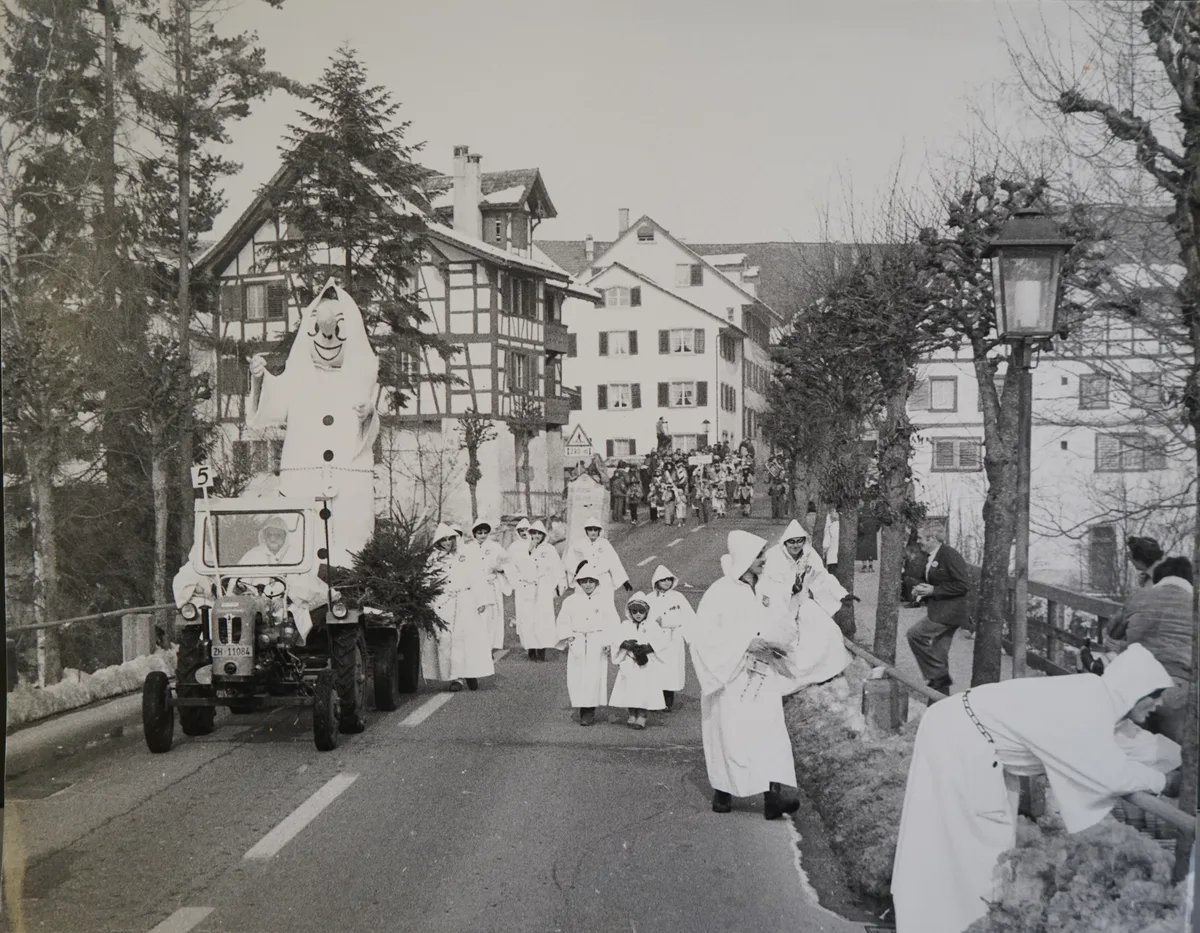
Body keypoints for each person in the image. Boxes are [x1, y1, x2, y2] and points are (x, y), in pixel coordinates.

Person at [891, 643, 1181, 933]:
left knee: (959, 841)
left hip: (964, 735)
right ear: (1134, 692)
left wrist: (1187, 760)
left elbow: (1132, 742)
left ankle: (945, 920)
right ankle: (949, 924)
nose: (1158, 705)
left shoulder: (1098, 697)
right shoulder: (1091, 707)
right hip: (961, 743)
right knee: (972, 845)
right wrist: (1163, 782)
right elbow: (1108, 772)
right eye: (1154, 697)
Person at [247, 281, 379, 567]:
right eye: (318, 330)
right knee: (304, 545)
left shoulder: (360, 379)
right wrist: (259, 379)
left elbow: (370, 432)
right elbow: (267, 410)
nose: (327, 338)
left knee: (350, 546)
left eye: (336, 331)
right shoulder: (297, 378)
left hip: (349, 484)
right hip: (303, 482)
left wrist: (369, 413)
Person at [689, 530, 803, 819]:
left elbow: (782, 621)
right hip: (731, 675)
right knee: (731, 732)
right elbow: (704, 637)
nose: (764, 560)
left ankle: (772, 798)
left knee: (769, 731)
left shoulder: (765, 589)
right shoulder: (719, 592)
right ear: (744, 559)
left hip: (763, 672)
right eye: (759, 556)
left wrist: (780, 643)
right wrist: (745, 644)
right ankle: (723, 792)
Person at [759, 521, 852, 693]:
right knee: (782, 636)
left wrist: (841, 594)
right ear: (785, 543)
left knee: (828, 630)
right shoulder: (773, 557)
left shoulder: (809, 555)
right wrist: (788, 590)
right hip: (779, 605)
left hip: (801, 602)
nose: (796, 545)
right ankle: (785, 678)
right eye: (792, 542)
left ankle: (824, 672)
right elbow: (766, 585)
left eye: (799, 541)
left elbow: (822, 577)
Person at [1116, 556, 1194, 744]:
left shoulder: (1140, 597)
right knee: (1179, 753)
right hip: (1180, 685)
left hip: (1138, 685)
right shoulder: (1195, 602)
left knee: (1134, 749)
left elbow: (1114, 631)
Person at [419, 523, 494, 692]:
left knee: (465, 639)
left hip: (464, 600)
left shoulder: (465, 554)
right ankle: (455, 677)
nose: (447, 542)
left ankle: (470, 672)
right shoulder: (433, 558)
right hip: (443, 601)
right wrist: (428, 602)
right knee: (445, 639)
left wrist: (481, 600)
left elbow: (477, 577)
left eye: (450, 539)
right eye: (443, 540)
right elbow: (426, 582)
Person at [905, 521, 972, 694]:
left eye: (921, 538)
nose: (918, 541)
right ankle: (939, 698)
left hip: (950, 613)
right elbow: (934, 580)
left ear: (932, 538)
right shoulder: (931, 556)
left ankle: (938, 679)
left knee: (915, 635)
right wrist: (920, 589)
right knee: (938, 653)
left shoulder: (949, 555)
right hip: (940, 610)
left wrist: (934, 590)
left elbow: (963, 585)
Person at [555, 561, 618, 726]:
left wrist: (608, 642)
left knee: (593, 677)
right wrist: (568, 636)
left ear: (597, 582)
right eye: (584, 581)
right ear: (579, 582)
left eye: (591, 581)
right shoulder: (570, 601)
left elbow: (612, 622)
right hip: (578, 641)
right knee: (577, 677)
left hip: (597, 641)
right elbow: (563, 620)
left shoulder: (605, 601)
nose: (588, 585)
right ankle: (582, 706)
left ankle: (589, 711)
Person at [610, 591, 668, 729]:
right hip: (629, 662)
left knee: (644, 689)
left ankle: (642, 715)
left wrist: (648, 647)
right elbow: (615, 639)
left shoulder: (653, 626)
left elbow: (662, 641)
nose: (638, 614)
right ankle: (632, 713)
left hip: (645, 664)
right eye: (634, 611)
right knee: (630, 688)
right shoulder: (624, 625)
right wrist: (625, 644)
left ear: (647, 611)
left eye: (641, 611)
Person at [647, 565, 696, 710]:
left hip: (673, 638)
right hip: (655, 638)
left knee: (670, 670)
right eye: (663, 580)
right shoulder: (649, 598)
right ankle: (655, 700)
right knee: (655, 670)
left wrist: (692, 638)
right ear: (656, 581)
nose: (667, 583)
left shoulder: (678, 597)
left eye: (669, 580)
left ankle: (668, 701)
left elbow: (688, 617)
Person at [461, 519, 510, 654]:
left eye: (485, 533)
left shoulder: (495, 547)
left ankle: (488, 648)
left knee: (491, 617)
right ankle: (477, 648)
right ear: (474, 533)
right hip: (476, 586)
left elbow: (506, 562)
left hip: (491, 585)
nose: (482, 535)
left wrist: (499, 568)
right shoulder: (468, 548)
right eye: (479, 533)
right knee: (478, 616)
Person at [521, 521, 565, 661]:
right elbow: (520, 567)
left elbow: (557, 568)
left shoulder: (549, 549)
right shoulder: (525, 549)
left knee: (543, 618)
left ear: (544, 535)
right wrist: (529, 550)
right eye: (534, 533)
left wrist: (558, 585)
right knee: (529, 618)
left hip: (544, 587)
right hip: (529, 587)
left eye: (539, 533)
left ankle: (542, 647)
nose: (536, 536)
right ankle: (531, 647)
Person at [563, 521, 631, 605]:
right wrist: (578, 570)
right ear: (586, 531)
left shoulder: (605, 544)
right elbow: (570, 561)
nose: (593, 532)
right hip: (585, 581)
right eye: (590, 530)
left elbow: (614, 562)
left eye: (595, 530)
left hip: (603, 580)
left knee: (604, 605)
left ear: (599, 531)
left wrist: (624, 581)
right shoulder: (578, 544)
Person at [506, 518, 536, 644]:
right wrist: (516, 580)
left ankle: (535, 638)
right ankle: (525, 639)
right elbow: (509, 565)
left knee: (534, 611)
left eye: (526, 530)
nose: (524, 533)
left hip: (534, 583)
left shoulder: (535, 544)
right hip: (521, 583)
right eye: (521, 530)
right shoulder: (514, 547)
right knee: (522, 611)